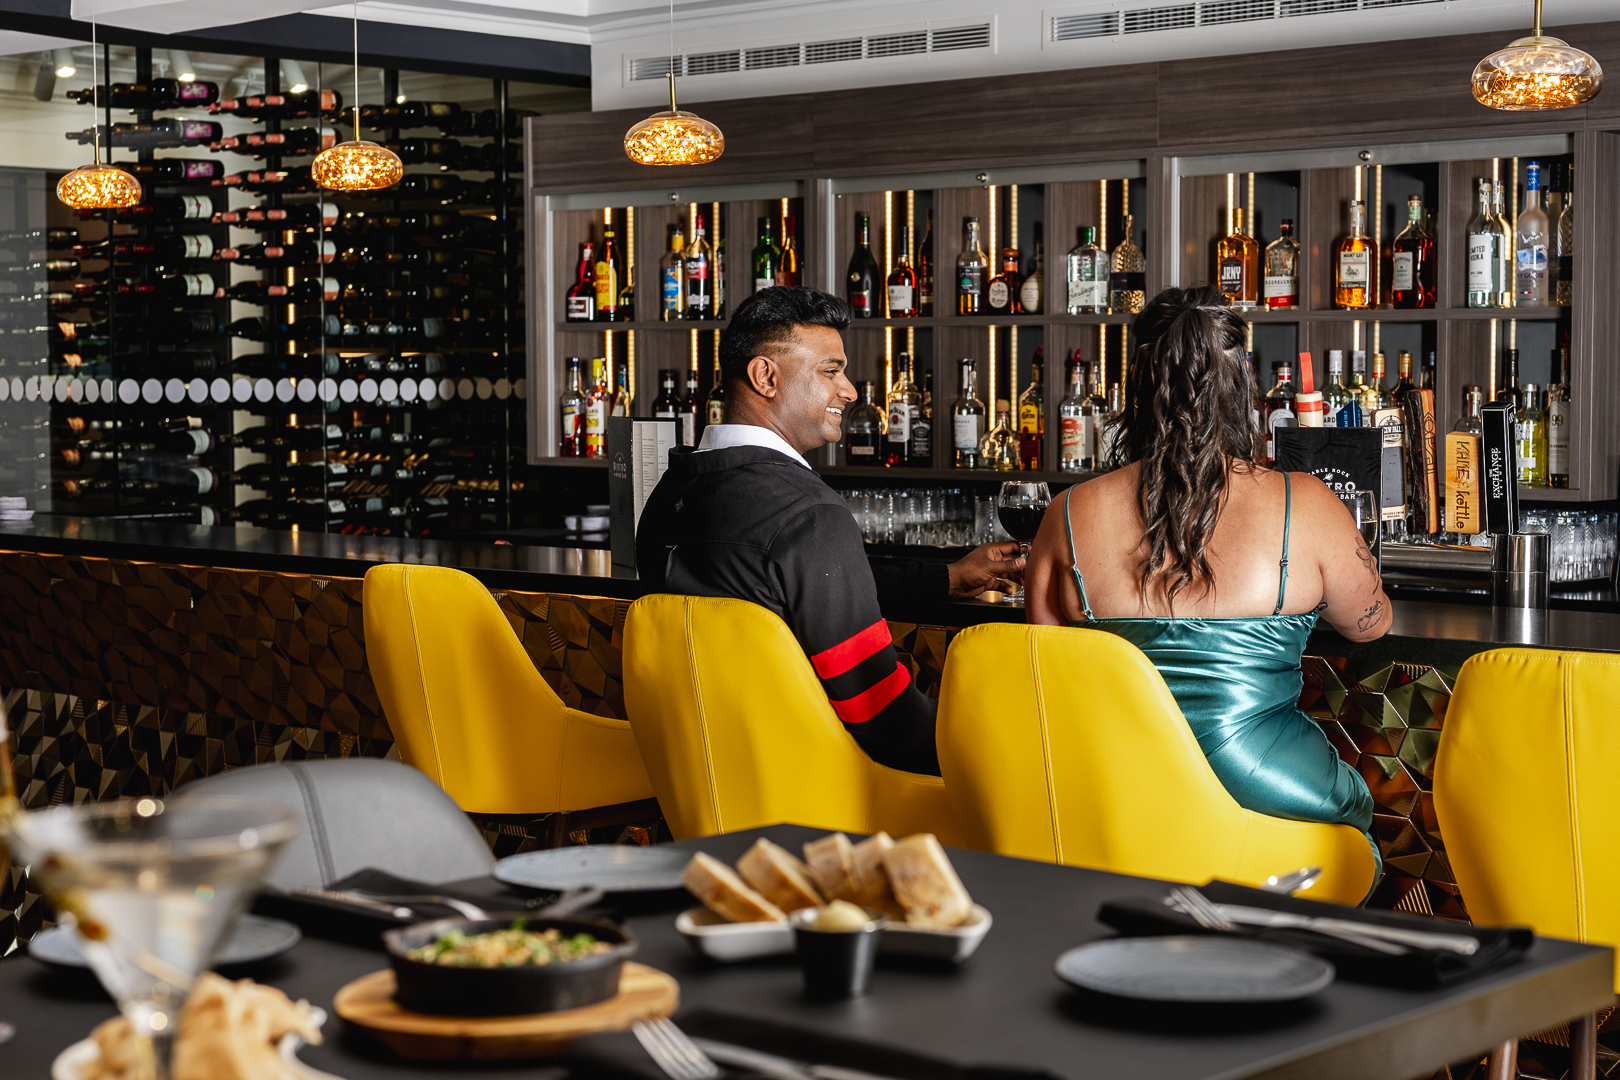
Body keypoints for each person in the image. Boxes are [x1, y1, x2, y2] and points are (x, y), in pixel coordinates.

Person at [1023, 285, 1391, 876]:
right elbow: (1371, 624)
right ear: (1242, 386)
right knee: (1362, 814)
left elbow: (1046, 672)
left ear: (1137, 386)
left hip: (1116, 797)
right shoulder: (1306, 502)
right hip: (1265, 785)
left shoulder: (1066, 514)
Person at [636, 287, 1022, 775]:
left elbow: (793, 587)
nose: (851, 390)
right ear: (765, 376)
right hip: (816, 801)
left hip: (699, 783)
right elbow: (882, 714)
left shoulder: (669, 494)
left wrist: (945, 577)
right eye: (830, 371)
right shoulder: (809, 513)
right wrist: (991, 752)